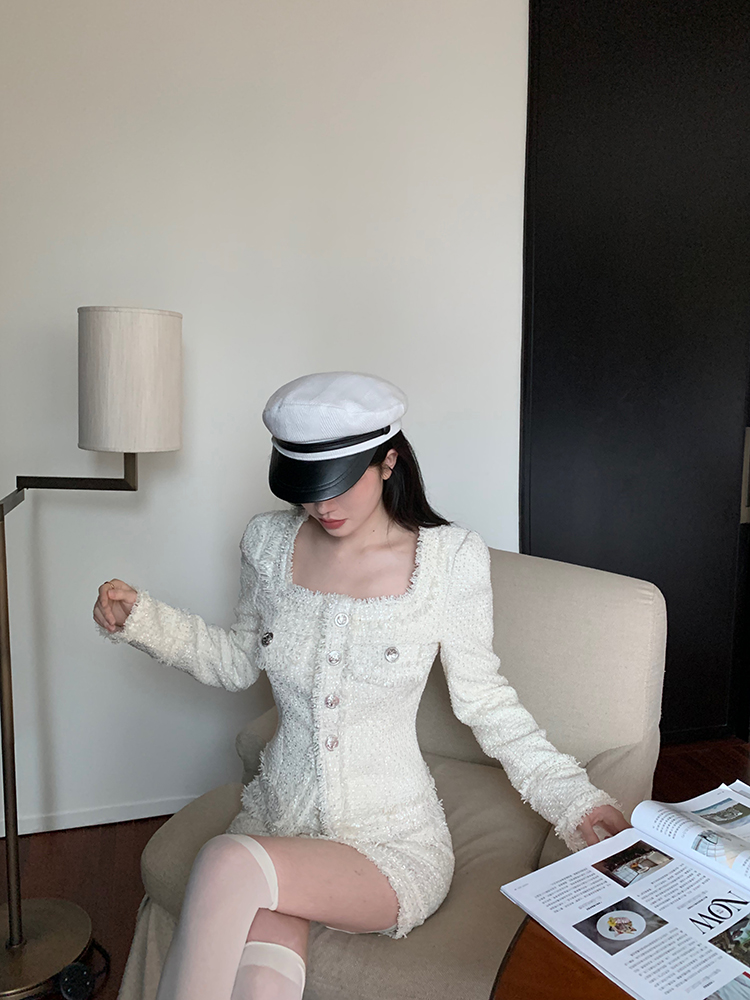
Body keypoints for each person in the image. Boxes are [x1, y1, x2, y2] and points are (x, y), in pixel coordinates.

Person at [93, 371, 628, 1000]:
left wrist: (576, 802)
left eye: (339, 482)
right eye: (307, 488)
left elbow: (486, 703)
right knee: (260, 980)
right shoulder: (267, 543)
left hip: (388, 842)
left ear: (388, 460)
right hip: (276, 819)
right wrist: (145, 622)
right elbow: (237, 661)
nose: (323, 506)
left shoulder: (449, 560)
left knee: (226, 860)